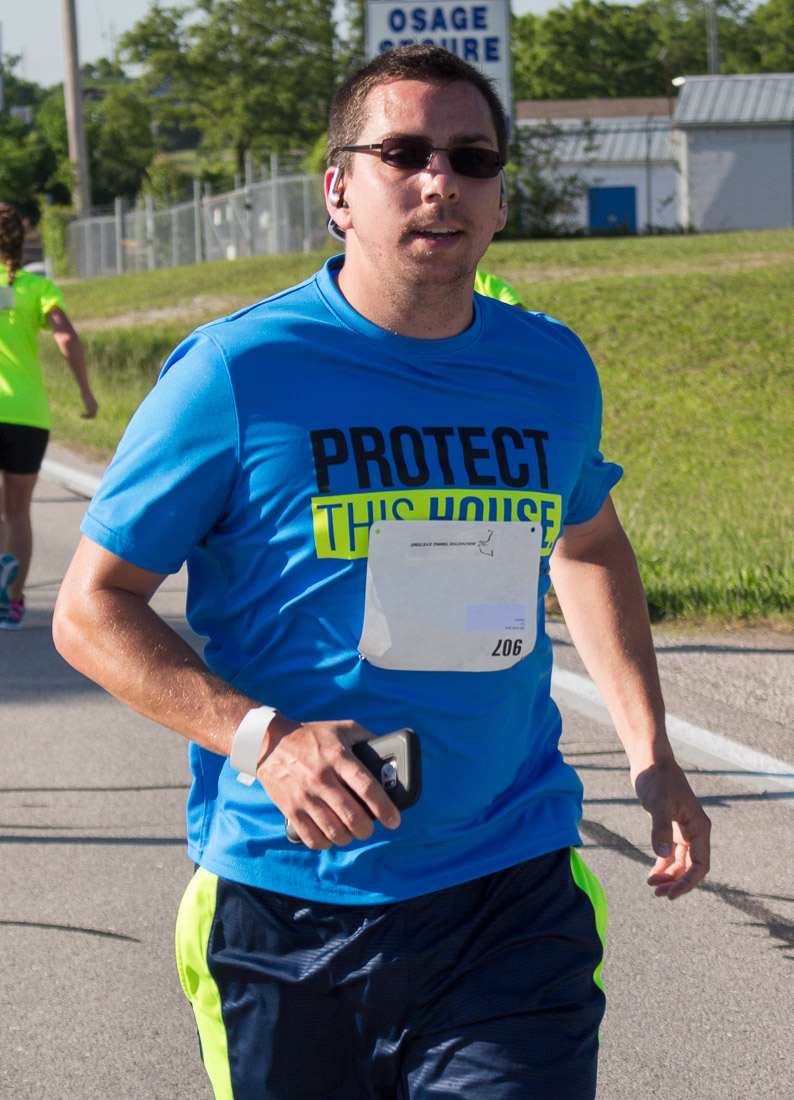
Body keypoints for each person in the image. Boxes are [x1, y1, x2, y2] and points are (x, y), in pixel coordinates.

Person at [52, 45, 710, 1100]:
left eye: (472, 158)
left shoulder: (548, 368)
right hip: (287, 901)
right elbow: (90, 609)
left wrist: (651, 751)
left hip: (508, 888)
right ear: (338, 191)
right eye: (402, 153)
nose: (439, 180)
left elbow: (585, 543)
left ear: (500, 198)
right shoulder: (238, 372)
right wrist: (264, 739)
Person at [0, 203, 98, 629]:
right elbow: (66, 336)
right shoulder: (37, 287)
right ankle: (11, 601)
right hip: (27, 414)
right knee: (17, 511)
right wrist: (85, 391)